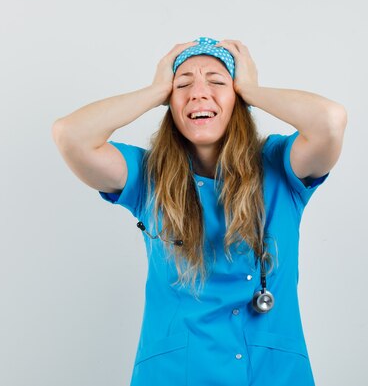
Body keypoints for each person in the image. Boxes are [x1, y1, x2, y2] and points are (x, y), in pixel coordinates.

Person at [51, 37, 347, 386]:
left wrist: (251, 88)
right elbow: (70, 135)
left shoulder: (281, 166)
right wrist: (154, 90)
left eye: (218, 82)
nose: (199, 92)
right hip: (176, 375)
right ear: (169, 104)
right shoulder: (148, 176)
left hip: (273, 373)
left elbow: (330, 120)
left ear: (239, 99)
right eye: (183, 84)